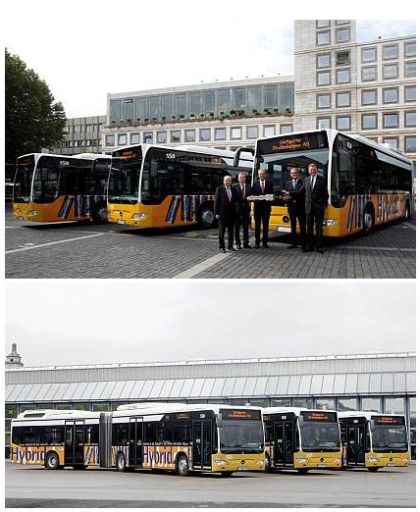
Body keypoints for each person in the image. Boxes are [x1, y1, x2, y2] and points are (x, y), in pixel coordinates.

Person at [300, 163, 329, 253]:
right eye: (311, 170)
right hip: (309, 207)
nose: (312, 171)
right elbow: (301, 191)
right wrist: (289, 194)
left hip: (319, 207)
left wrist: (323, 204)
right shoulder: (306, 179)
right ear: (308, 171)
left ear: (316, 170)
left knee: (319, 228)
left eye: (314, 169)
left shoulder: (322, 180)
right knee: (309, 227)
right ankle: (310, 246)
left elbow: (326, 194)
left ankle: (319, 247)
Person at [214, 175, 238, 252]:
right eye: (226, 180)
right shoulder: (219, 189)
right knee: (222, 231)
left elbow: (237, 201)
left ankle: (230, 246)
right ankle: (221, 247)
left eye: (229, 180)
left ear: (231, 182)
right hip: (222, 214)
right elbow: (216, 202)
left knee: (231, 231)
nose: (228, 182)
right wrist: (216, 213)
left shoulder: (234, 189)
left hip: (232, 214)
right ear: (223, 181)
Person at [283, 168, 306, 250]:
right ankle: (294, 244)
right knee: (292, 226)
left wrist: (290, 195)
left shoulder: (303, 182)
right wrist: (284, 198)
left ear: (298, 174)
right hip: (291, 208)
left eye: (296, 173)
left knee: (302, 227)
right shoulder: (287, 184)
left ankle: (304, 245)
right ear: (290, 174)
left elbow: (301, 193)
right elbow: (284, 195)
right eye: (292, 173)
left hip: (301, 208)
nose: (294, 174)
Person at [250, 169, 274, 248]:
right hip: (257, 209)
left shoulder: (269, 184)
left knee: (266, 226)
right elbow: (252, 196)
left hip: (266, 208)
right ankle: (257, 243)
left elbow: (271, 196)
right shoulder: (255, 184)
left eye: (262, 174)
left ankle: (265, 243)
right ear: (258, 175)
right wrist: (258, 198)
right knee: (257, 226)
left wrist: (262, 198)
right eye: (260, 174)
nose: (261, 176)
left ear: (265, 175)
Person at [233, 172, 252, 249]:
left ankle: (245, 243)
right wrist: (244, 199)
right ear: (238, 178)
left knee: (245, 227)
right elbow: (234, 199)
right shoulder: (234, 186)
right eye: (240, 177)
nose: (242, 179)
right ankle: (237, 243)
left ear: (245, 178)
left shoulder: (248, 186)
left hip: (246, 210)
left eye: (243, 177)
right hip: (237, 210)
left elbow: (250, 197)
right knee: (237, 227)